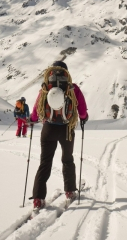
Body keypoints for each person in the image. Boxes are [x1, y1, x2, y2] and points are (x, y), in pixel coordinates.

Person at [29, 61, 88, 214]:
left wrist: (33, 119)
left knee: (45, 162)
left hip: (48, 129)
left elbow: (36, 110)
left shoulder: (45, 88)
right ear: (66, 73)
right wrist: (83, 117)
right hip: (67, 129)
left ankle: (38, 198)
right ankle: (69, 191)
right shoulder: (73, 88)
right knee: (67, 160)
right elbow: (82, 111)